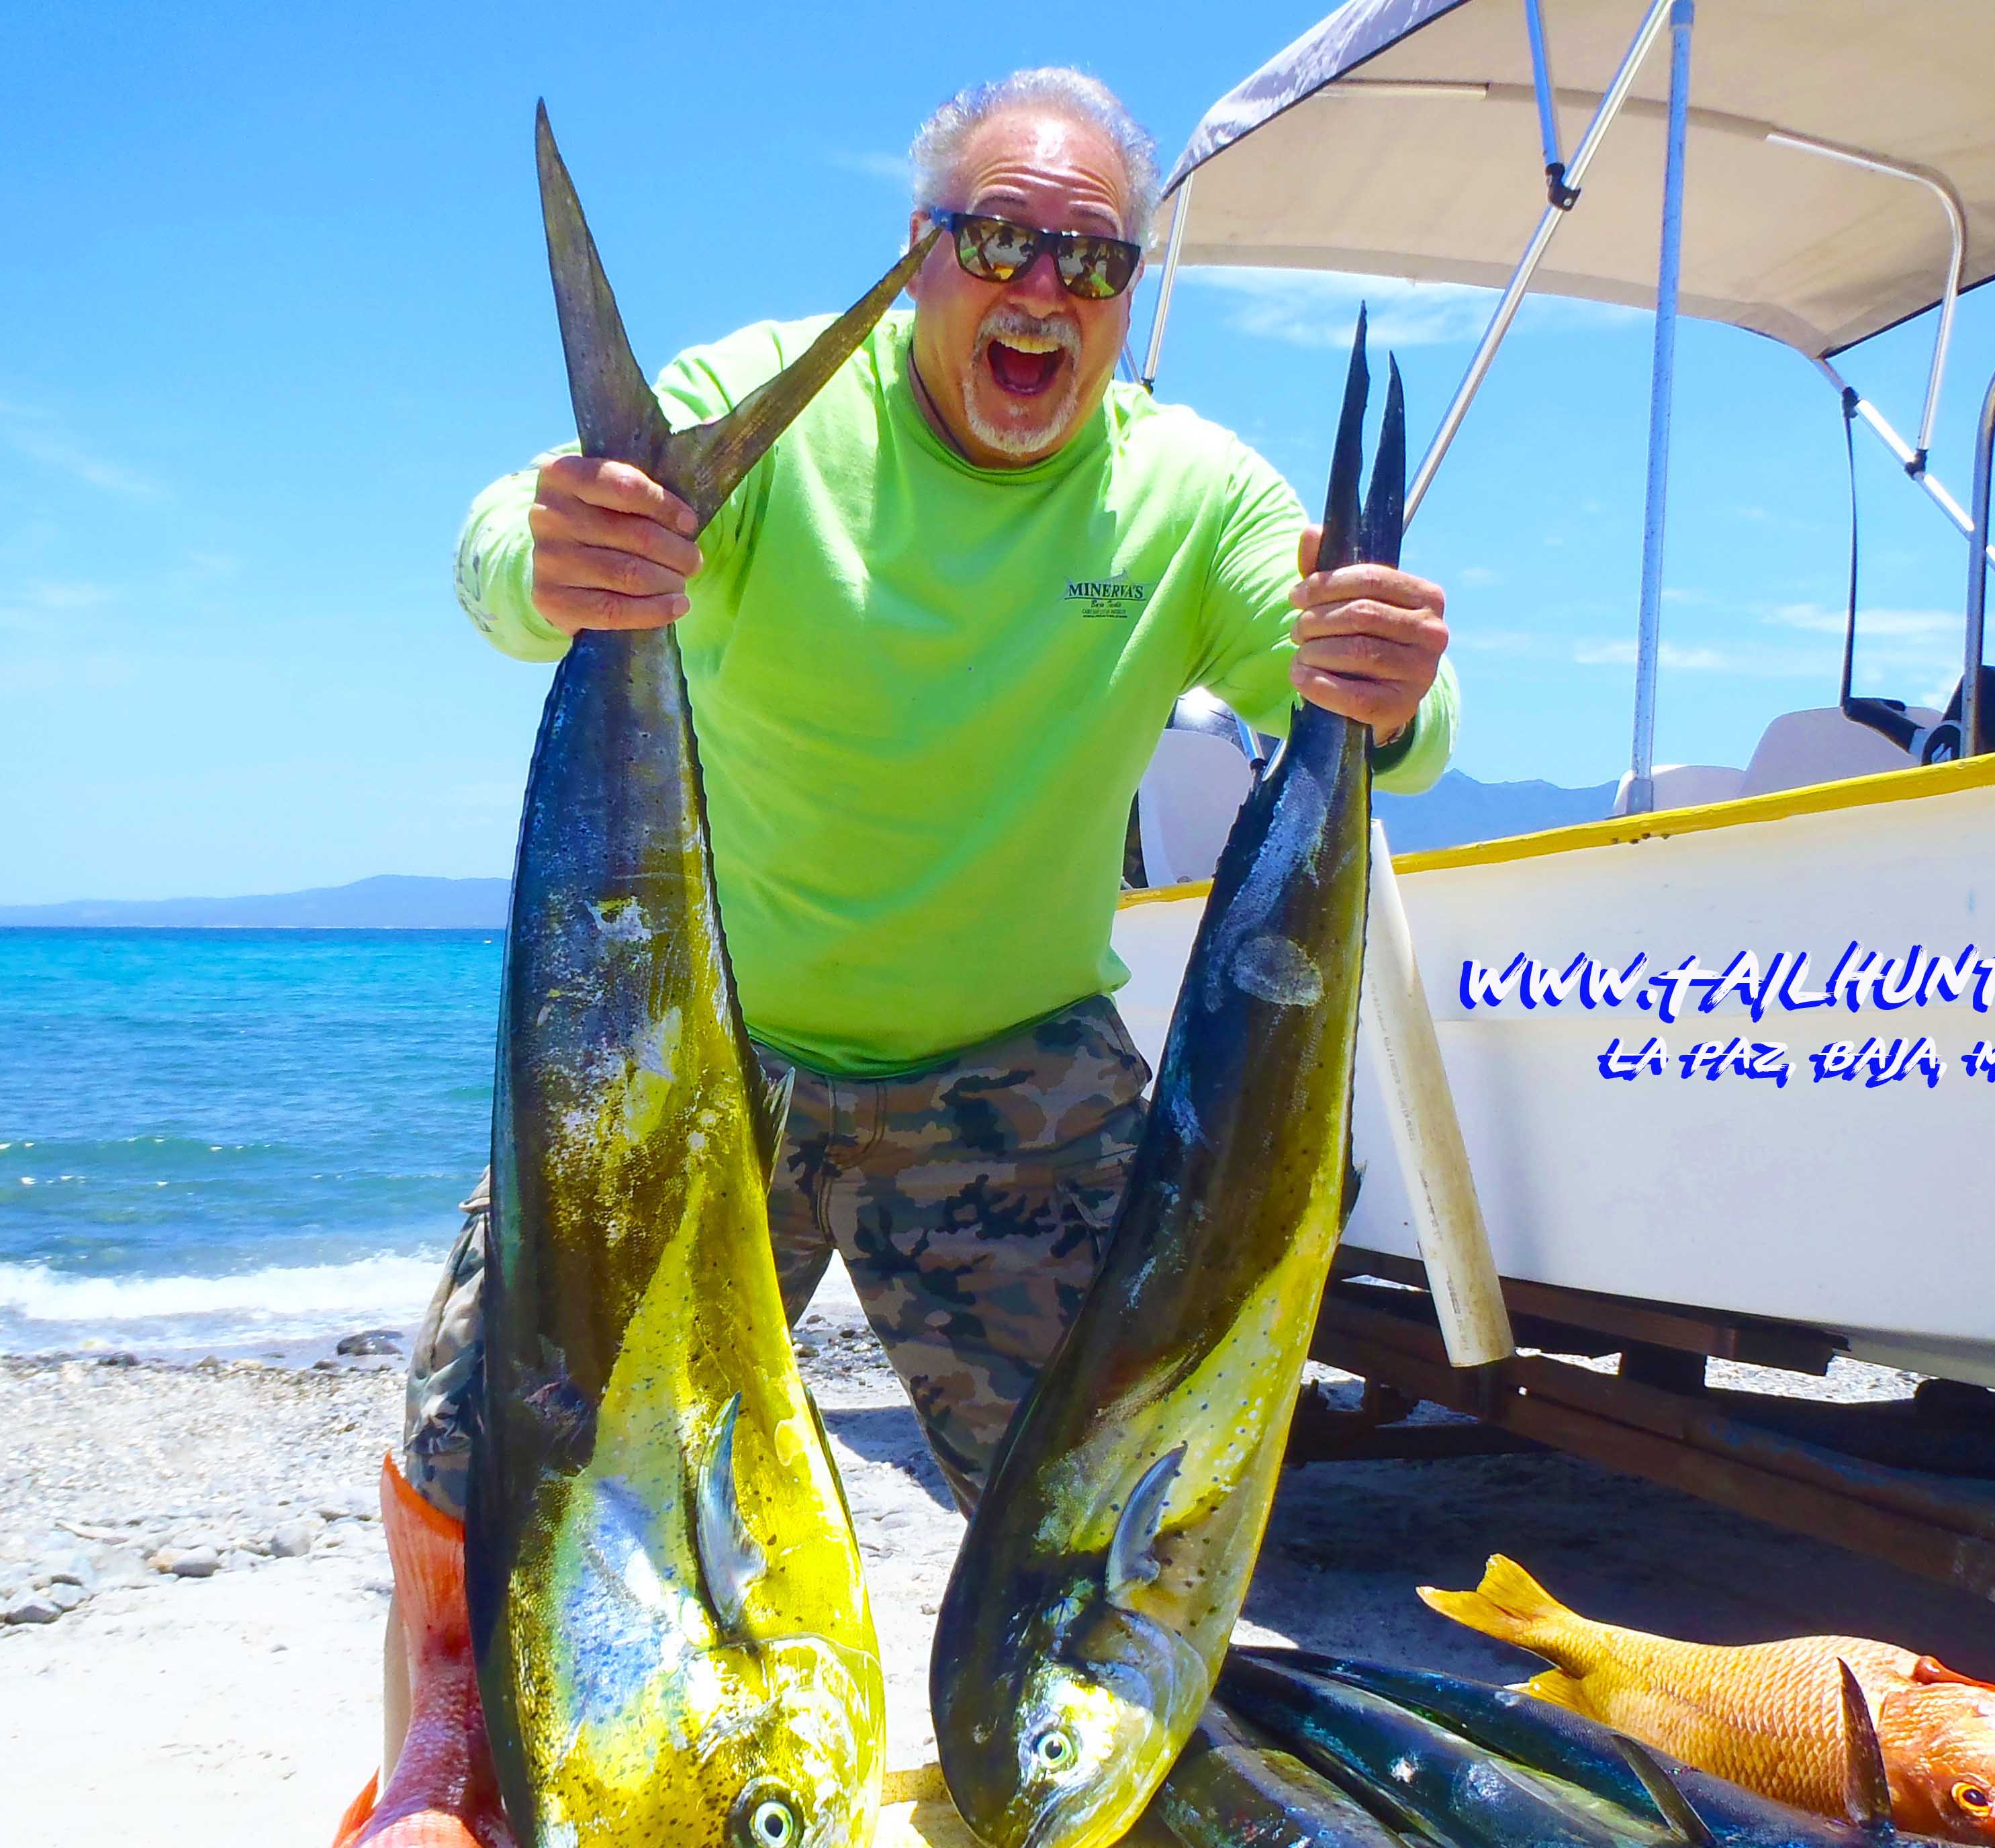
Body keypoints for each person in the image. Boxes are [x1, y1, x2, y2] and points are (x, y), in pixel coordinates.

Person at [410, 66, 1456, 1539]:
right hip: (702, 1056)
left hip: (1012, 1081)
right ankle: (463, 1693)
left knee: (1111, 1524)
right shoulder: (769, 399)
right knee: (486, 1489)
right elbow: (495, 554)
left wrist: (1388, 684)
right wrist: (549, 559)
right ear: (920, 253)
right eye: (999, 241)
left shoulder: (1194, 493)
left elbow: (1395, 734)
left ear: (1128, 293)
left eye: (1092, 261)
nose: (1042, 288)